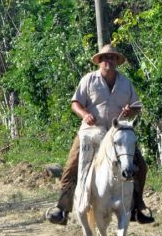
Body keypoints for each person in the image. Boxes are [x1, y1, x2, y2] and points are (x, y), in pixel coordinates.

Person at [47, 44, 155, 226]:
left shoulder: (125, 83)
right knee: (71, 166)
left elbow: (137, 106)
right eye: (105, 58)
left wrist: (131, 111)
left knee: (140, 166)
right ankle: (62, 208)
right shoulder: (88, 80)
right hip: (91, 132)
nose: (109, 61)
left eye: (112, 58)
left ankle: (137, 207)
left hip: (117, 134)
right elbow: (75, 103)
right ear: (99, 61)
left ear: (117, 62)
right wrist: (85, 114)